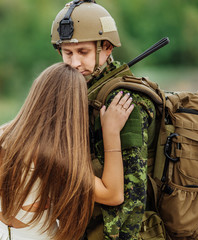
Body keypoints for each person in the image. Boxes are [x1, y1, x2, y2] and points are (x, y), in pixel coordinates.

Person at [0, 62, 134, 240]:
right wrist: (111, 131)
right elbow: (113, 194)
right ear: (73, 109)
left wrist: (16, 206)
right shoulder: (51, 158)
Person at [51, 1, 157, 239]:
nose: (74, 63)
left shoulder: (123, 102)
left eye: (83, 52)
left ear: (107, 48)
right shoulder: (85, 92)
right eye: (67, 53)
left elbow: (133, 197)